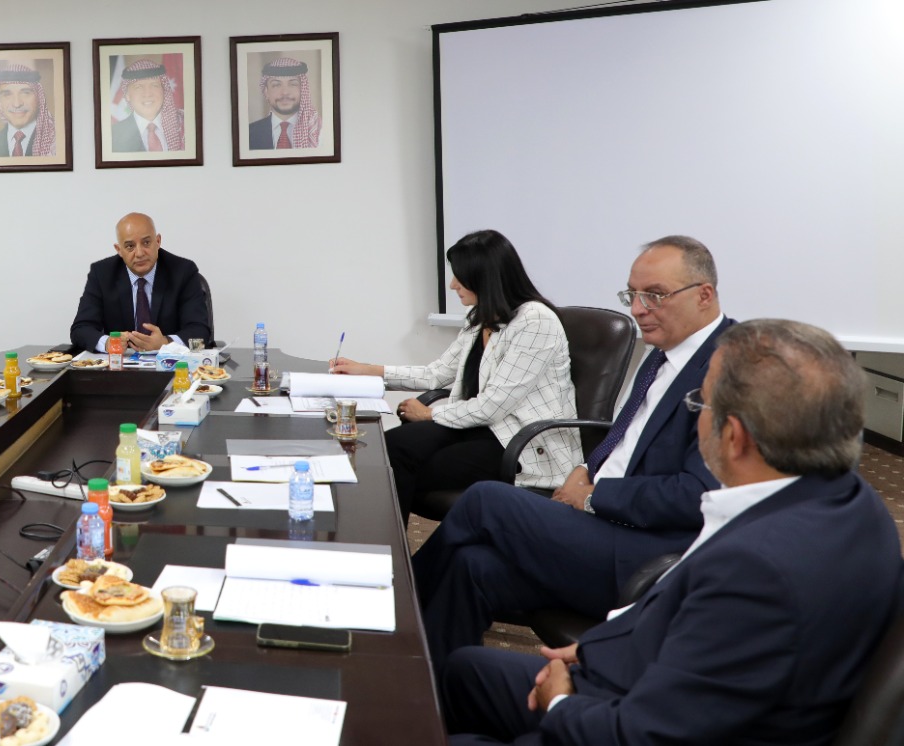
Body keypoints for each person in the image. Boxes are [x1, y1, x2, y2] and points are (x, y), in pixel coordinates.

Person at [443, 319, 901, 745]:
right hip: (665, 676)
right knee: (466, 668)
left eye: (699, 403)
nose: (695, 414)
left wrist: (559, 703)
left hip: (634, 719)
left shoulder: (754, 571)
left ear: (734, 436)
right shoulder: (856, 504)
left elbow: (640, 735)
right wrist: (596, 651)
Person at [411, 236, 733, 675]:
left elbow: (696, 495)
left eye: (655, 295)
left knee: (487, 499)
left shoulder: (730, 370)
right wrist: (583, 468)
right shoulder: (663, 356)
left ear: (704, 295)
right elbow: (625, 437)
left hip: (646, 553)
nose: (639, 309)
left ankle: (395, 599)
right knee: (471, 565)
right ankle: (429, 686)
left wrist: (594, 496)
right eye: (632, 295)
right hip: (601, 525)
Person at [330, 230, 578, 517]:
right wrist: (366, 371)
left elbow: (493, 405)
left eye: (460, 277)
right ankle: (385, 536)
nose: (452, 285)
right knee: (392, 446)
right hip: (477, 428)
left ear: (485, 277)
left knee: (400, 465)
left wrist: (429, 414)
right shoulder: (482, 318)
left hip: (519, 442)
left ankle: (388, 541)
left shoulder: (536, 321)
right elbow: (435, 374)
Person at [69, 212, 212, 353]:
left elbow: (201, 333)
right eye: (130, 246)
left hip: (171, 363)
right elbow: (80, 329)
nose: (139, 253)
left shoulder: (183, 272)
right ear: (119, 250)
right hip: (121, 365)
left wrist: (166, 343)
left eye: (146, 243)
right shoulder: (102, 274)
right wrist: (108, 343)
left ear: (158, 241)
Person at [109, 59, 186, 153]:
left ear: (164, 90)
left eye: (154, 85)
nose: (147, 94)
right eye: (138, 87)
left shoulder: (185, 126)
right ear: (127, 95)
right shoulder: (113, 135)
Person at [0, 64, 57, 158]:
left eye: (26, 93)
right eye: (7, 94)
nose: (17, 104)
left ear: (39, 98)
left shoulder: (56, 143)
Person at [247, 57, 322, 150]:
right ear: (266, 92)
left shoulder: (320, 132)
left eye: (293, 84)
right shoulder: (248, 134)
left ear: (303, 90)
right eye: (276, 85)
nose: (285, 92)